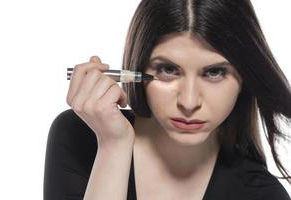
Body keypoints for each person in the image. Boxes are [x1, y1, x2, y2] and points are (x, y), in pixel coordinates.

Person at [43, 0, 291, 199]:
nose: (189, 101)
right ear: (137, 68)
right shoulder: (80, 136)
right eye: (169, 70)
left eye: (214, 72)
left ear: (244, 79)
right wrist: (112, 146)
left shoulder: (261, 193)